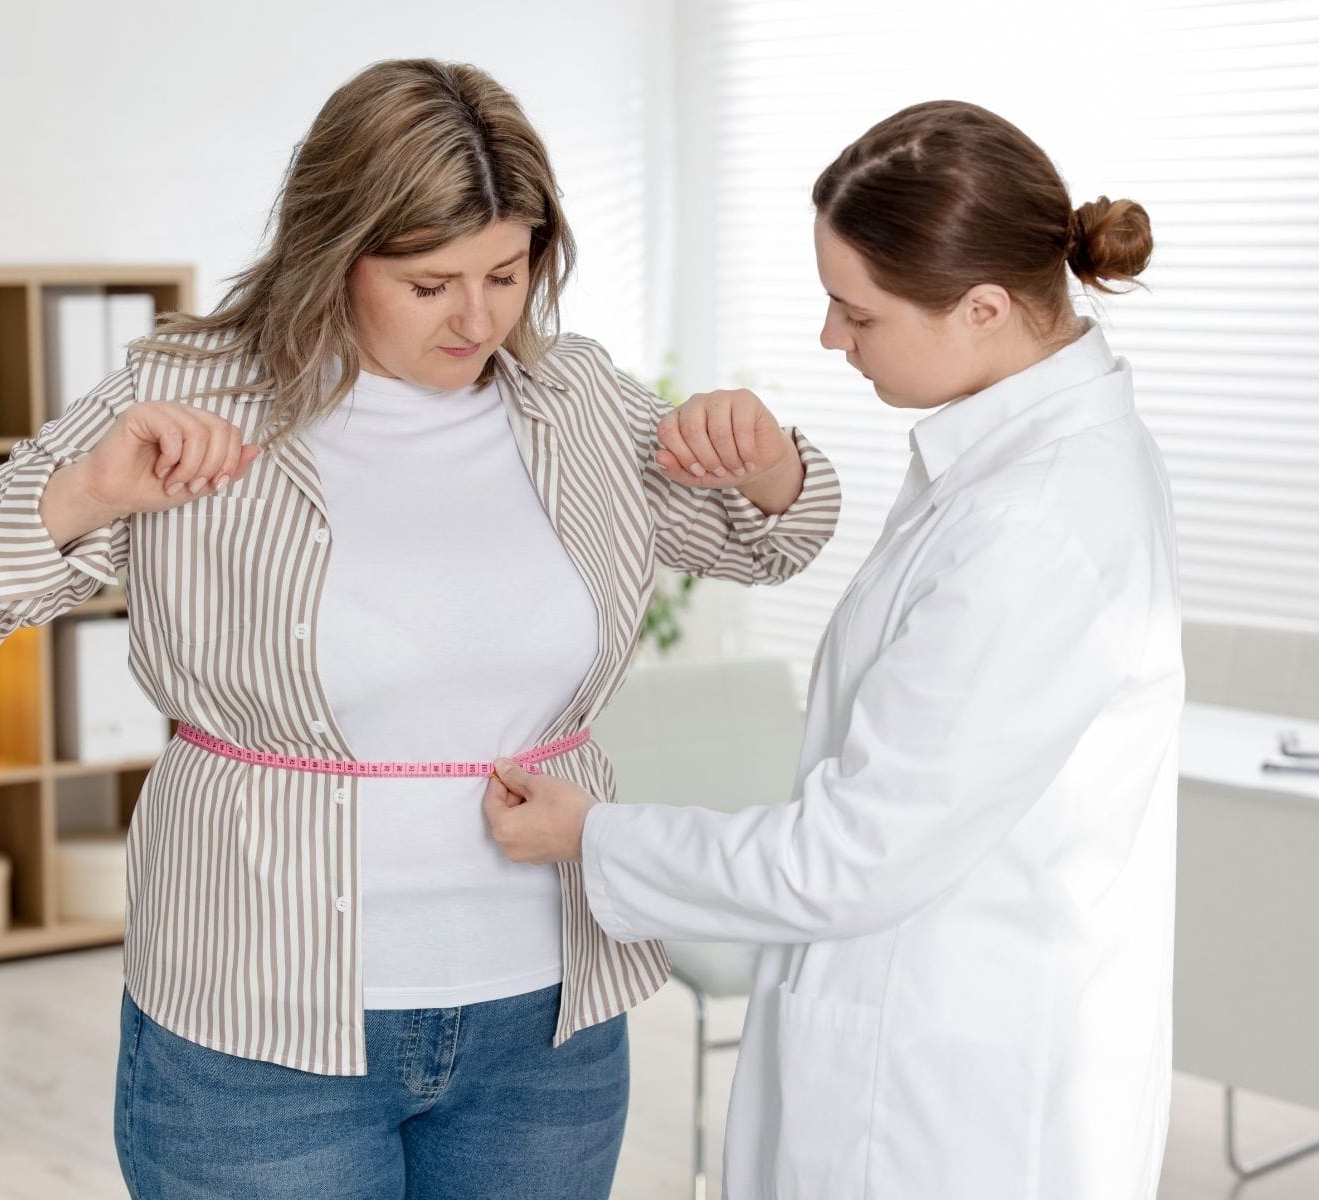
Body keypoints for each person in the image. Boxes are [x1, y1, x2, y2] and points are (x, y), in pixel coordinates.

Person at [0, 59, 841, 1199]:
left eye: (507, 272)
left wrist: (766, 465)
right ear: (334, 253)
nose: (478, 318)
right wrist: (83, 496)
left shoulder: (573, 401)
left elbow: (772, 540)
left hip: (548, 1023)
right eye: (430, 284)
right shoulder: (192, 398)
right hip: (261, 1030)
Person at [485, 99, 1183, 1200]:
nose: (830, 339)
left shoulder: (1035, 523)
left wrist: (597, 838)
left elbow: (848, 858)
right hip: (929, 1044)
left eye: (855, 314)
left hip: (948, 1103)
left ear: (985, 308)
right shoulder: (1013, 464)